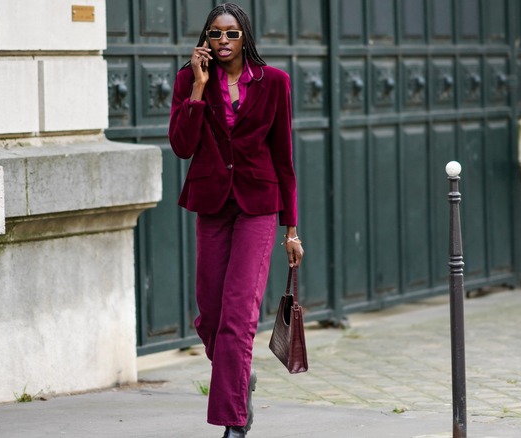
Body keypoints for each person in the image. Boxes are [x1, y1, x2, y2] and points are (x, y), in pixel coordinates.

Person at [168, 3, 304, 437]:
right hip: (212, 202)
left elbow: (284, 157)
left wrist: (291, 229)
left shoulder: (274, 82)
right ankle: (240, 377)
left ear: (245, 36)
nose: (222, 41)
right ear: (205, 40)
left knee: (238, 316)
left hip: (258, 206)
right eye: (214, 34)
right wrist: (197, 91)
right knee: (209, 317)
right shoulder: (190, 80)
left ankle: (233, 422)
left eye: (231, 34)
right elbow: (182, 147)